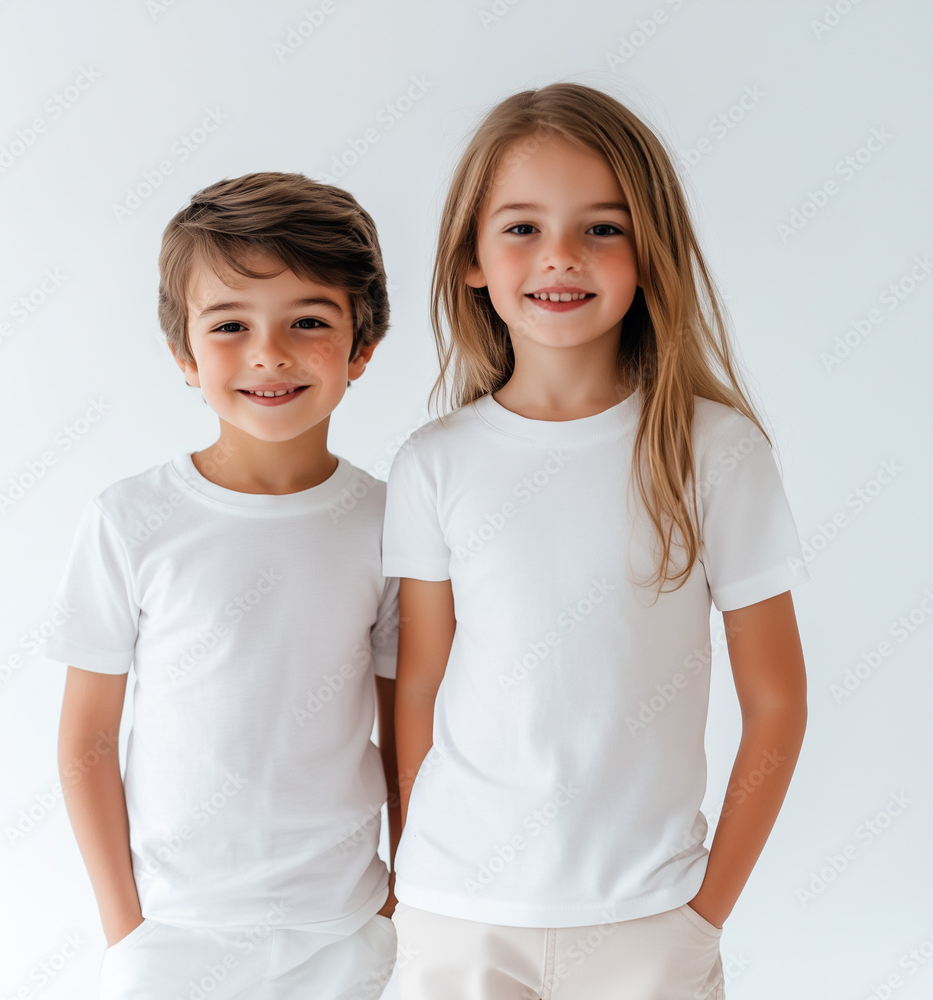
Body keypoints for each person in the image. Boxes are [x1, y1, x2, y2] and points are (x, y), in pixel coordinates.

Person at [383, 83, 811, 1000]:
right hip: (456, 917)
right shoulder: (434, 464)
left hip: (647, 925)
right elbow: (419, 680)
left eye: (603, 228)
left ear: (651, 253)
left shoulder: (715, 452)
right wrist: (422, 866)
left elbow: (775, 703)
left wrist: (703, 915)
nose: (561, 257)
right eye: (523, 228)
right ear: (471, 259)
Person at [45, 172, 401, 999]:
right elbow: (86, 739)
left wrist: (396, 898)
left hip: (343, 935)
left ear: (362, 346)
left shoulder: (388, 524)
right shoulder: (130, 519)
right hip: (172, 936)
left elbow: (406, 731)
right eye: (231, 324)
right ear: (184, 352)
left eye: (308, 321)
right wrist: (123, 923)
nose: (269, 353)